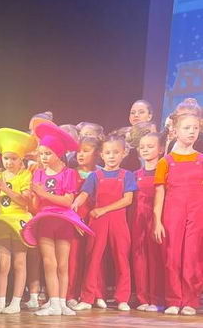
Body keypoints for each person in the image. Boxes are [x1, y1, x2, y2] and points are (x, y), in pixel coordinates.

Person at [22, 123, 92, 316]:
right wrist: (31, 196)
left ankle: (61, 303)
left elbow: (67, 201)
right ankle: (53, 302)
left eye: (48, 153)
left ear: (58, 153)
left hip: (62, 221)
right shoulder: (38, 173)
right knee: (49, 262)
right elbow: (36, 206)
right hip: (45, 221)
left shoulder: (68, 173)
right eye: (41, 154)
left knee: (62, 264)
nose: (44, 158)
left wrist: (43, 193)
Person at [72, 135, 136, 311]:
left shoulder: (127, 175)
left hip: (117, 220)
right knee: (93, 257)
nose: (112, 156)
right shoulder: (95, 175)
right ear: (101, 155)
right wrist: (76, 203)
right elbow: (84, 194)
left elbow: (128, 200)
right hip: (98, 221)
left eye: (116, 152)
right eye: (108, 153)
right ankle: (90, 297)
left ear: (123, 153)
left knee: (121, 258)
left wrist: (104, 209)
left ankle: (122, 298)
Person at [154, 101, 203, 315]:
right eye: (187, 127)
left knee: (192, 256)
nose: (192, 132)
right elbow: (160, 193)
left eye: (195, 128)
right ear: (175, 130)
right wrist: (157, 221)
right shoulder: (166, 162)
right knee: (172, 255)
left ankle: (190, 300)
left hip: (197, 213)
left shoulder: (201, 160)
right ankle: (174, 299)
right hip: (173, 213)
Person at [0, 128, 33, 314]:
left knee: (19, 262)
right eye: (6, 158)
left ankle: (15, 302)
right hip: (3, 221)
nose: (9, 162)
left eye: (13, 158)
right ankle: (0, 302)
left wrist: (6, 189)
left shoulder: (25, 175)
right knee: (2, 263)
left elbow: (25, 201)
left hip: (19, 220)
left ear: (21, 159)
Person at [66, 136, 101, 309]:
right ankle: (70, 294)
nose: (80, 155)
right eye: (78, 151)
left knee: (93, 257)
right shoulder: (71, 173)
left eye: (85, 151)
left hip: (95, 218)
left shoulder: (101, 173)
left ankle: (93, 293)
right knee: (73, 258)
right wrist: (74, 219)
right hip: (75, 218)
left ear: (97, 154)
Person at [132, 131, 165, 312]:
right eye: (142, 147)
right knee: (139, 256)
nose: (145, 150)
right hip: (138, 219)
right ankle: (142, 298)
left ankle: (157, 298)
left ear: (160, 149)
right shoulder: (134, 174)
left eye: (150, 146)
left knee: (156, 257)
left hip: (157, 217)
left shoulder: (165, 172)